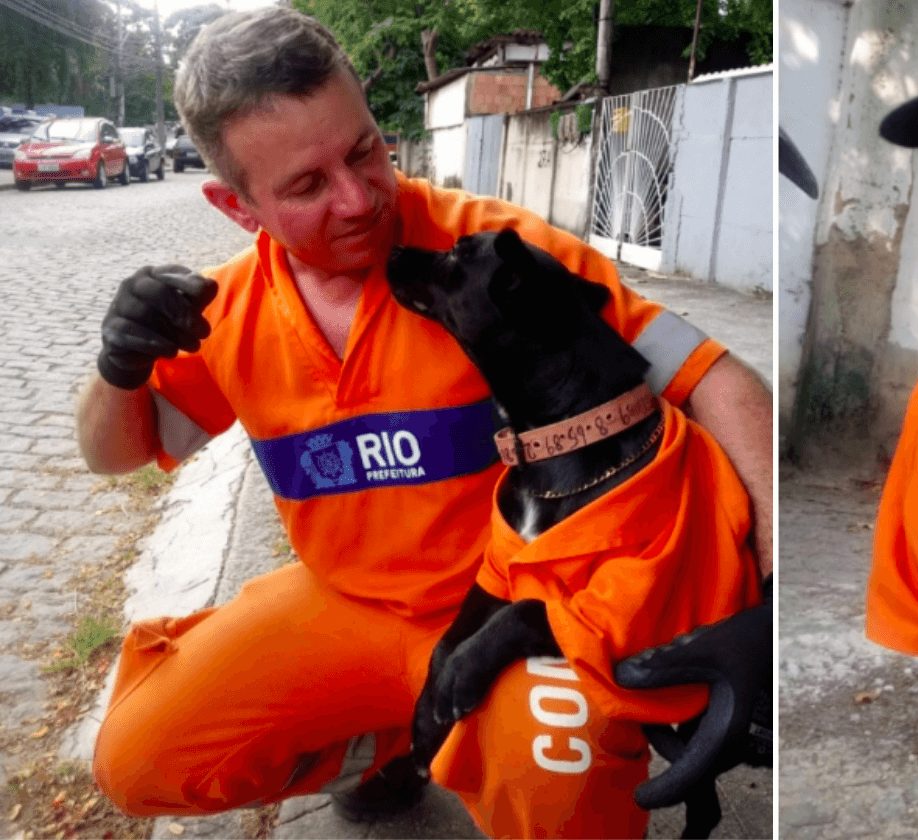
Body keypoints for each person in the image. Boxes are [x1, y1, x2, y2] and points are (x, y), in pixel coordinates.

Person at [75, 8, 771, 837]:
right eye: (306, 185)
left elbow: (720, 380)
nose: (360, 197)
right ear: (237, 205)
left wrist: (766, 603)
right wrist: (117, 368)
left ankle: (473, 737)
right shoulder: (223, 314)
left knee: (560, 800)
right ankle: (392, 745)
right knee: (141, 760)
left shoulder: (497, 258)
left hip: (522, 611)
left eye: (365, 149)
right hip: (344, 604)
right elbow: (113, 454)